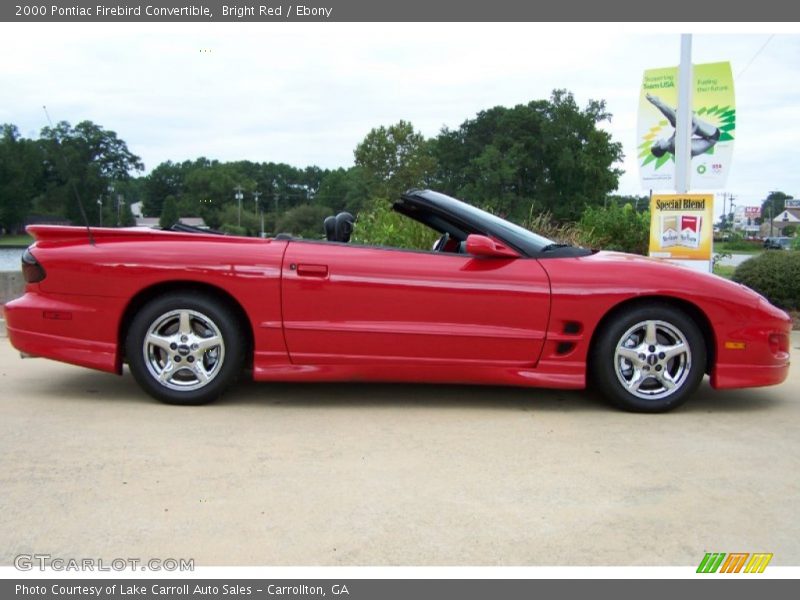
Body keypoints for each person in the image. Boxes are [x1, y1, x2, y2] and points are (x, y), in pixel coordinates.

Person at [646, 93, 721, 158]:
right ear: (661, 147)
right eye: (657, 143)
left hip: (708, 137)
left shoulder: (669, 145)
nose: (657, 141)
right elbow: (694, 127)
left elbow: (678, 130)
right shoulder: (674, 144)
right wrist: (690, 116)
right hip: (712, 137)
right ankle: (656, 102)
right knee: (680, 121)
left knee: (676, 122)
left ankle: (657, 102)